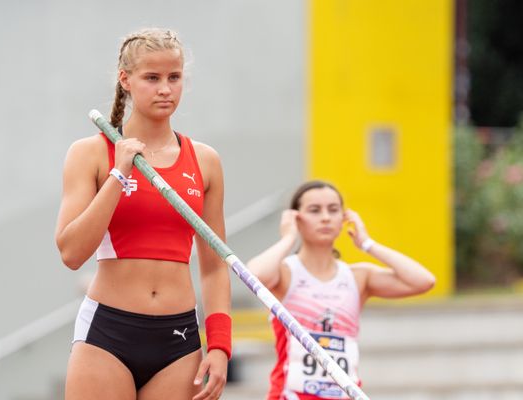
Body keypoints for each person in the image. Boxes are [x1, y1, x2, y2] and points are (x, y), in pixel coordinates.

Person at [55, 28, 231, 400]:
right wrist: (119, 174)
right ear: (127, 80)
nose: (165, 89)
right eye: (152, 78)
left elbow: (215, 265)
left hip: (178, 339)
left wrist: (219, 344)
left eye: (174, 77)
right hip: (108, 334)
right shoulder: (91, 152)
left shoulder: (205, 161)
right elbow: (71, 252)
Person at [247, 180, 436, 400]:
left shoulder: (358, 277)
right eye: (315, 210)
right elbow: (253, 275)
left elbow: (424, 281)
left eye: (333, 210)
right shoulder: (285, 273)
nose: (325, 217)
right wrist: (289, 237)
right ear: (297, 218)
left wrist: (367, 244)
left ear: (344, 218)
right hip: (291, 395)